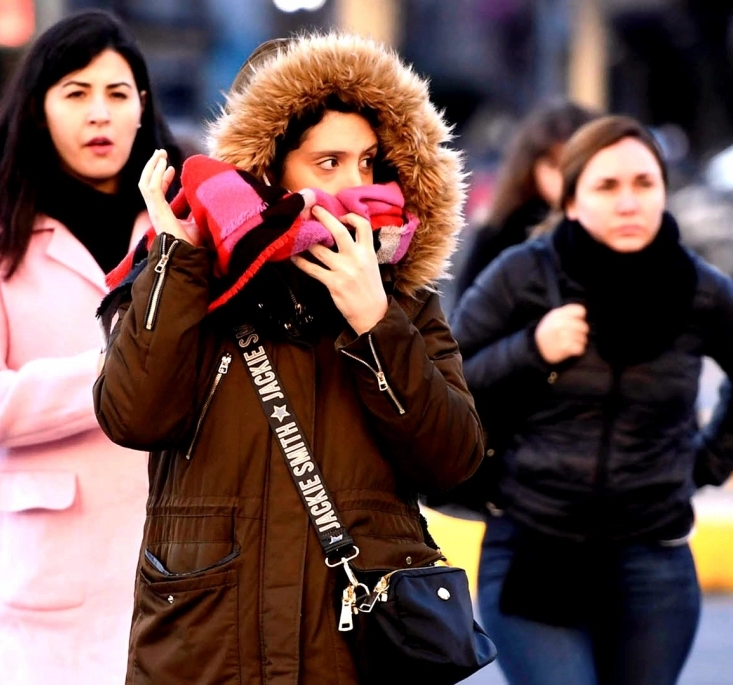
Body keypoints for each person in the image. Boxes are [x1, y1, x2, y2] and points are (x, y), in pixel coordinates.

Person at [94, 33, 484, 683]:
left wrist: (375, 324)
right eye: (327, 163)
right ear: (267, 170)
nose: (356, 187)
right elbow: (132, 415)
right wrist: (179, 262)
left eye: (369, 163)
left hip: (354, 653)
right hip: (210, 650)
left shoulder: (405, 304)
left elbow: (455, 463)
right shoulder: (190, 283)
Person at [450, 115, 733, 685]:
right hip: (534, 547)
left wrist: (707, 464)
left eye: (644, 184)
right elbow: (448, 382)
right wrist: (530, 348)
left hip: (651, 556)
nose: (629, 202)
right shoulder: (523, 274)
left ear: (663, 192)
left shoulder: (697, 287)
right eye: (607, 187)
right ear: (573, 200)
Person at [0, 10, 182, 684]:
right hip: (53, 583)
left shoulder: (183, 232)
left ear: (142, 109)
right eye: (76, 93)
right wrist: (105, 379)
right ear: (38, 109)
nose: (100, 113)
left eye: (117, 94)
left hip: (188, 570)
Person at [453, 98, 597, 299]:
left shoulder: (613, 227)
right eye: (554, 166)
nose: (565, 179)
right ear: (530, 168)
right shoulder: (499, 236)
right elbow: (466, 320)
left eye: (575, 165)